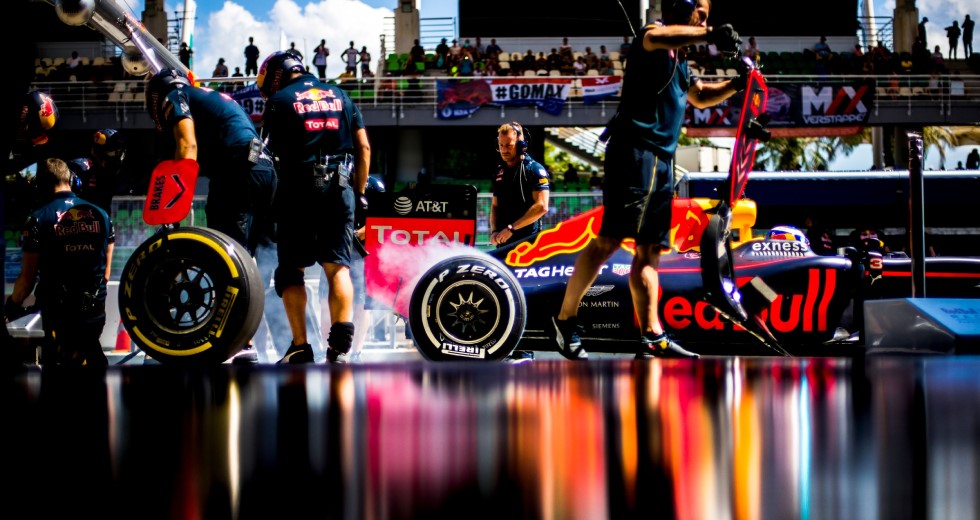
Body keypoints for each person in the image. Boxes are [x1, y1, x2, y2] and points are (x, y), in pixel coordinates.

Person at [551, 0, 747, 360]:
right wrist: (711, 34)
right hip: (634, 152)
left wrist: (737, 84)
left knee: (650, 251)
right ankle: (565, 320)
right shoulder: (652, 35)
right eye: (700, 11)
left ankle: (652, 337)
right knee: (609, 240)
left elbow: (701, 97)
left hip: (663, 161)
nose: (704, 18)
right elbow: (660, 37)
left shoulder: (682, 60)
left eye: (708, 16)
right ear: (683, 7)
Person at [144, 68, 278, 363]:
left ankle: (237, 341)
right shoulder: (214, 97)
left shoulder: (175, 95)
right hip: (265, 170)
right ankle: (273, 341)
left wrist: (175, 206)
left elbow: (187, 146)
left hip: (238, 169)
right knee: (259, 261)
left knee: (225, 255)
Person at [257, 51, 371, 365]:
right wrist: (360, 193)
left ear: (275, 75)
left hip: (297, 190)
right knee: (338, 268)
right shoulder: (341, 95)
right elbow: (363, 146)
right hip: (340, 187)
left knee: (290, 271)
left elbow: (265, 154)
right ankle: (339, 349)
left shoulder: (279, 101)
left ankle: (300, 346)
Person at [5, 158, 114, 366]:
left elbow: (27, 281)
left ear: (41, 185)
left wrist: (11, 306)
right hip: (94, 314)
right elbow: (106, 275)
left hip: (58, 316)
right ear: (71, 180)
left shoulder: (37, 218)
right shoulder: (102, 215)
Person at [490, 122, 550, 363]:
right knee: (504, 296)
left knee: (524, 296)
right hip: (503, 244)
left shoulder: (535, 169)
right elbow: (495, 206)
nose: (504, 150)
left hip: (528, 245)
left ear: (522, 144)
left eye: (509, 145)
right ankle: (507, 348)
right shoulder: (499, 170)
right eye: (501, 145)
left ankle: (525, 351)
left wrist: (511, 229)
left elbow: (542, 207)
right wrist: (494, 230)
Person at [73, 128, 126, 215]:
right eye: (116, 152)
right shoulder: (80, 168)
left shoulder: (110, 174)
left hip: (101, 218)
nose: (118, 156)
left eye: (120, 152)